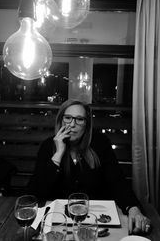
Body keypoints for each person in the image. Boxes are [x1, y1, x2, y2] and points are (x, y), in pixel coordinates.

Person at [28, 99, 151, 235]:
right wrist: (57, 155)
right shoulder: (48, 146)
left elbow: (117, 181)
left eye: (79, 119)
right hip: (57, 224)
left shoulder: (100, 144)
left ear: (86, 124)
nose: (72, 125)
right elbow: (35, 193)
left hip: (97, 222)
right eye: (68, 118)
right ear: (61, 120)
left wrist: (132, 207)